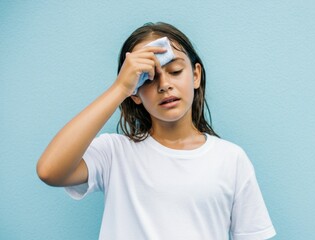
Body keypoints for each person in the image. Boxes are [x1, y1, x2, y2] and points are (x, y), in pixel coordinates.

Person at [37, 22, 276, 240]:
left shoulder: (231, 159)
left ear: (195, 75)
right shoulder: (114, 153)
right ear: (135, 93)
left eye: (174, 71)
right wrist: (120, 87)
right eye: (148, 79)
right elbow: (50, 171)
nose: (164, 85)